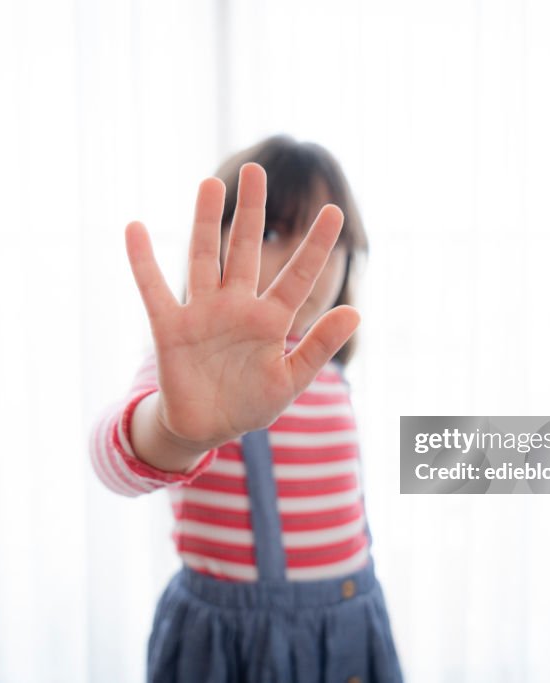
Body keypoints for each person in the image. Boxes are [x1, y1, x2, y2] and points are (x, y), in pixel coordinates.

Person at [88, 134, 403, 682]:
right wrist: (175, 433)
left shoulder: (330, 375)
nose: (301, 260)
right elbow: (110, 462)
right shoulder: (193, 374)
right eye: (274, 232)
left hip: (353, 628)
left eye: (325, 242)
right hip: (234, 648)